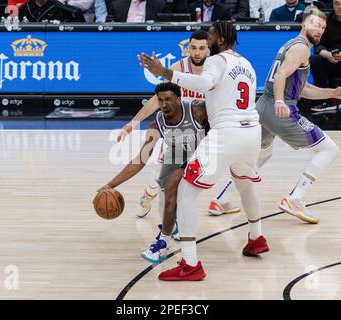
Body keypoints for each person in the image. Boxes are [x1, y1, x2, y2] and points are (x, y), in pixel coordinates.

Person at [139, 21, 269, 281]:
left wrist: (167, 73)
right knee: (244, 183)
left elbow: (204, 83)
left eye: (210, 35)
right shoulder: (246, 63)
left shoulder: (216, 61)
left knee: (186, 190)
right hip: (252, 131)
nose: (207, 40)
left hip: (228, 133)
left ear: (219, 39)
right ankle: (256, 238)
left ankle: (190, 263)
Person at [118, 30, 240, 218]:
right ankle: (149, 196)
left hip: (204, 131)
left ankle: (222, 200)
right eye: (193, 48)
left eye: (202, 48)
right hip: (178, 131)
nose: (197, 53)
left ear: (209, 49)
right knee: (159, 176)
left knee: (226, 166)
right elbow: (155, 100)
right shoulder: (179, 68)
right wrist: (133, 122)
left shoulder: (216, 68)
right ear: (188, 49)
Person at [256, 6, 341, 224]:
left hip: (262, 107)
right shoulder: (302, 49)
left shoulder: (291, 45)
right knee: (329, 148)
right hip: (279, 108)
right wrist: (280, 101)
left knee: (260, 156)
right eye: (316, 25)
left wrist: (333, 93)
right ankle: (296, 198)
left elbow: (302, 89)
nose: (319, 30)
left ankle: (223, 199)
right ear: (304, 24)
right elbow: (281, 75)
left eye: (323, 27)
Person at [98, 83, 207, 263]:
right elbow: (140, 159)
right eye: (161, 100)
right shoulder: (158, 124)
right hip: (176, 153)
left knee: (175, 187)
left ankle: (163, 241)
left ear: (179, 99)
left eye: (168, 99)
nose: (164, 104)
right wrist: (111, 185)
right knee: (164, 189)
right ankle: (175, 225)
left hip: (202, 152)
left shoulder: (197, 110)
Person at [108, 0, 188, 22]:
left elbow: (168, 25)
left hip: (148, 41)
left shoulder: (160, 5)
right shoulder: (117, 5)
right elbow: (108, 25)